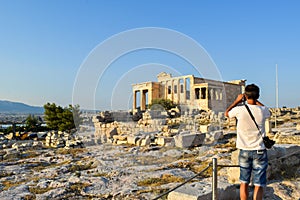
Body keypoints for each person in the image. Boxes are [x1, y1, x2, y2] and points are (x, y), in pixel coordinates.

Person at [225, 84, 271, 200]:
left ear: (245, 95)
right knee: (258, 184)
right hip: (260, 151)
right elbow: (268, 111)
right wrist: (256, 100)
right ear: (258, 96)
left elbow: (227, 113)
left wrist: (237, 101)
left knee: (244, 182)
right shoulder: (263, 110)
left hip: (244, 150)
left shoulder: (239, 110)